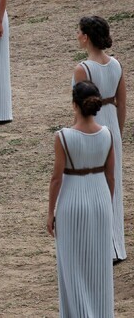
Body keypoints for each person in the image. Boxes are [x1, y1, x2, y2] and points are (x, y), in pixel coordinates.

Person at [47, 81, 115, 317]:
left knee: (72, 266)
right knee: (99, 265)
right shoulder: (107, 134)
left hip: (71, 204)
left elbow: (56, 179)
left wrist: (50, 212)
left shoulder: (63, 137)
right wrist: (107, 205)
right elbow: (110, 176)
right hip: (101, 201)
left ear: (74, 105)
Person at [72, 15, 127, 263]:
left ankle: (101, 246)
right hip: (112, 125)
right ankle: (115, 246)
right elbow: (122, 103)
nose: (77, 36)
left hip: (92, 127)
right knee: (112, 184)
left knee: (93, 185)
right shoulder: (116, 65)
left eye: (79, 32)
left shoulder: (83, 69)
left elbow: (80, 107)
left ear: (86, 37)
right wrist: (118, 133)